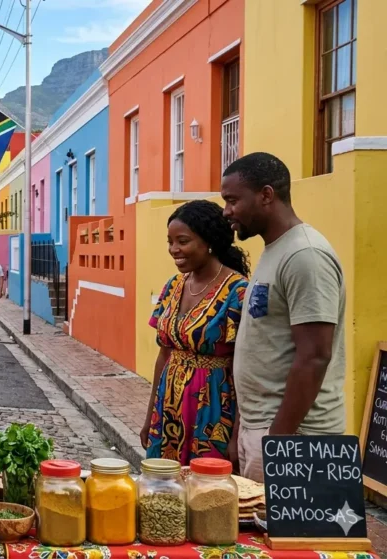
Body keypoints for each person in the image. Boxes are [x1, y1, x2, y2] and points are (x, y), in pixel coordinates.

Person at [221, 152, 345, 483]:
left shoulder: (306, 255)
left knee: (288, 536)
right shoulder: (275, 249)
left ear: (266, 195)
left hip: (295, 437)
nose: (226, 211)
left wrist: (278, 442)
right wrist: (242, 429)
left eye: (233, 200)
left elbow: (315, 356)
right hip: (263, 429)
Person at [140, 200, 249, 465]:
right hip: (169, 407)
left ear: (208, 241)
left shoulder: (238, 291)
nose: (174, 249)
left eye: (183, 241)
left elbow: (244, 366)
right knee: (163, 491)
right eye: (170, 242)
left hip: (213, 409)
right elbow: (164, 354)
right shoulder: (174, 285)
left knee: (206, 491)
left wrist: (237, 435)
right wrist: (150, 416)